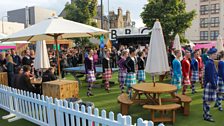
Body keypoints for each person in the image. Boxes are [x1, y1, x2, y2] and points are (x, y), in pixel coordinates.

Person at [203, 48, 218, 122]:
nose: (216, 55)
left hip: (209, 83)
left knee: (208, 100)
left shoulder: (210, 62)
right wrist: (215, 86)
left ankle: (206, 113)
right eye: (215, 54)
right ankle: (206, 115)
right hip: (210, 84)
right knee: (208, 101)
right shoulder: (210, 63)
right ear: (211, 55)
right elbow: (210, 76)